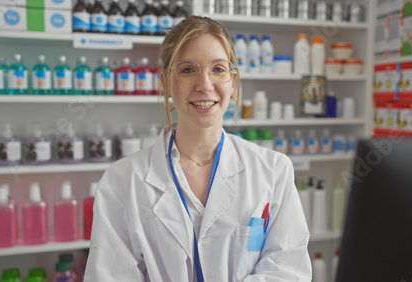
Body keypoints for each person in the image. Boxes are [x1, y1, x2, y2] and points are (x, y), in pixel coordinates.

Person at [84, 15, 311, 281]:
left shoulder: (274, 171)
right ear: (166, 83)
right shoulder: (121, 181)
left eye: (218, 69)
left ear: (233, 84)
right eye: (188, 69)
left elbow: (287, 270)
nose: (205, 85)